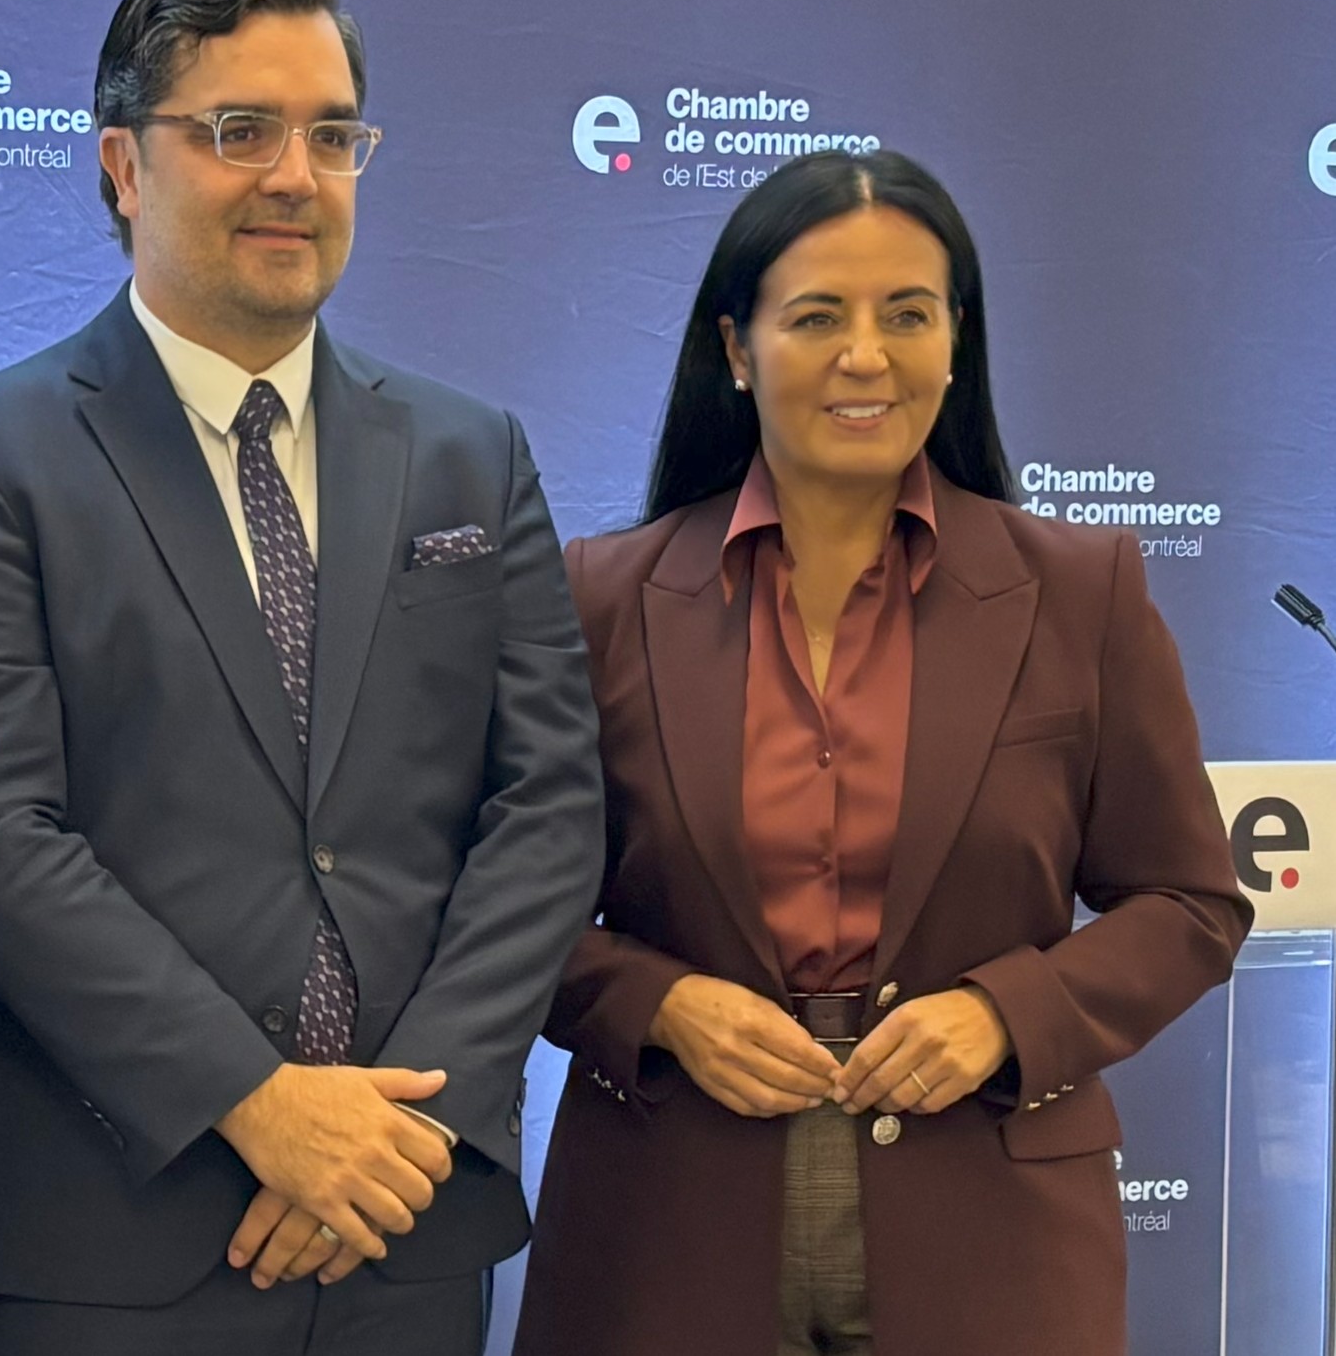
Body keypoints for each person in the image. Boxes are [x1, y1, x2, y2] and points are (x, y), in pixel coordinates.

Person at [0, 0, 604, 1356]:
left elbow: (549, 806)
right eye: (238, 130)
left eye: (331, 135)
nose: (293, 174)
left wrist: (409, 1125)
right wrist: (259, 1102)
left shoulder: (469, 453)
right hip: (103, 1241)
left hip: (403, 1230)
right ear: (121, 166)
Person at [512, 150, 1251, 1356]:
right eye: (816, 317)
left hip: (994, 1231)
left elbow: (1188, 901)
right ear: (738, 351)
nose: (867, 355)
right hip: (665, 1227)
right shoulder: (601, 598)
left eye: (908, 314)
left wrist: (1008, 1013)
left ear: (956, 342)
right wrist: (657, 1003)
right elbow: (508, 909)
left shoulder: (1080, 592)